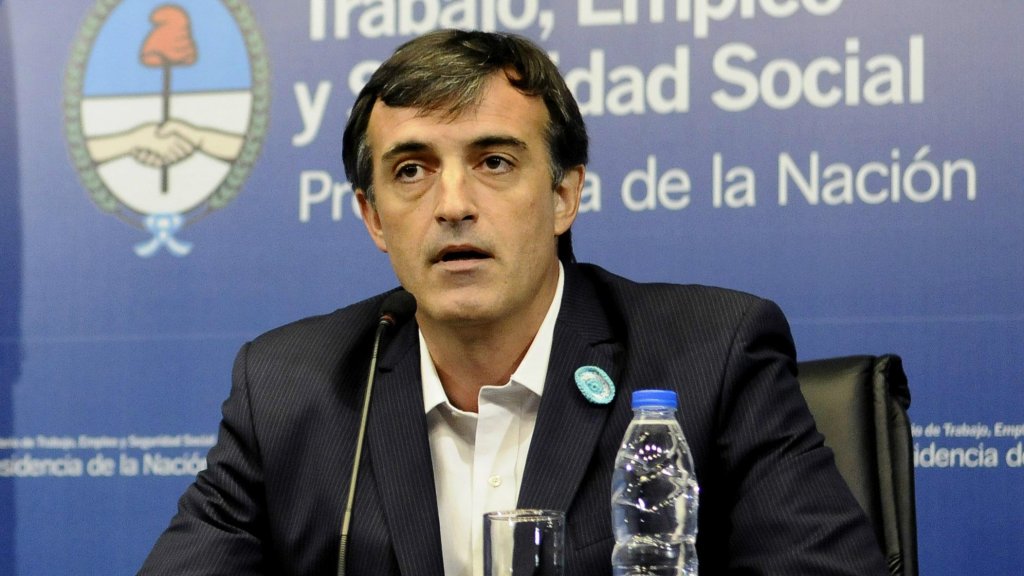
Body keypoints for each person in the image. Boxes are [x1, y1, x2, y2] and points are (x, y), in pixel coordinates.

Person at [139, 29, 888, 576]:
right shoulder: (289, 390)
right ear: (373, 218)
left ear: (564, 194)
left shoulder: (711, 357)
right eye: (411, 171)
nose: (452, 204)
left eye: (494, 162)